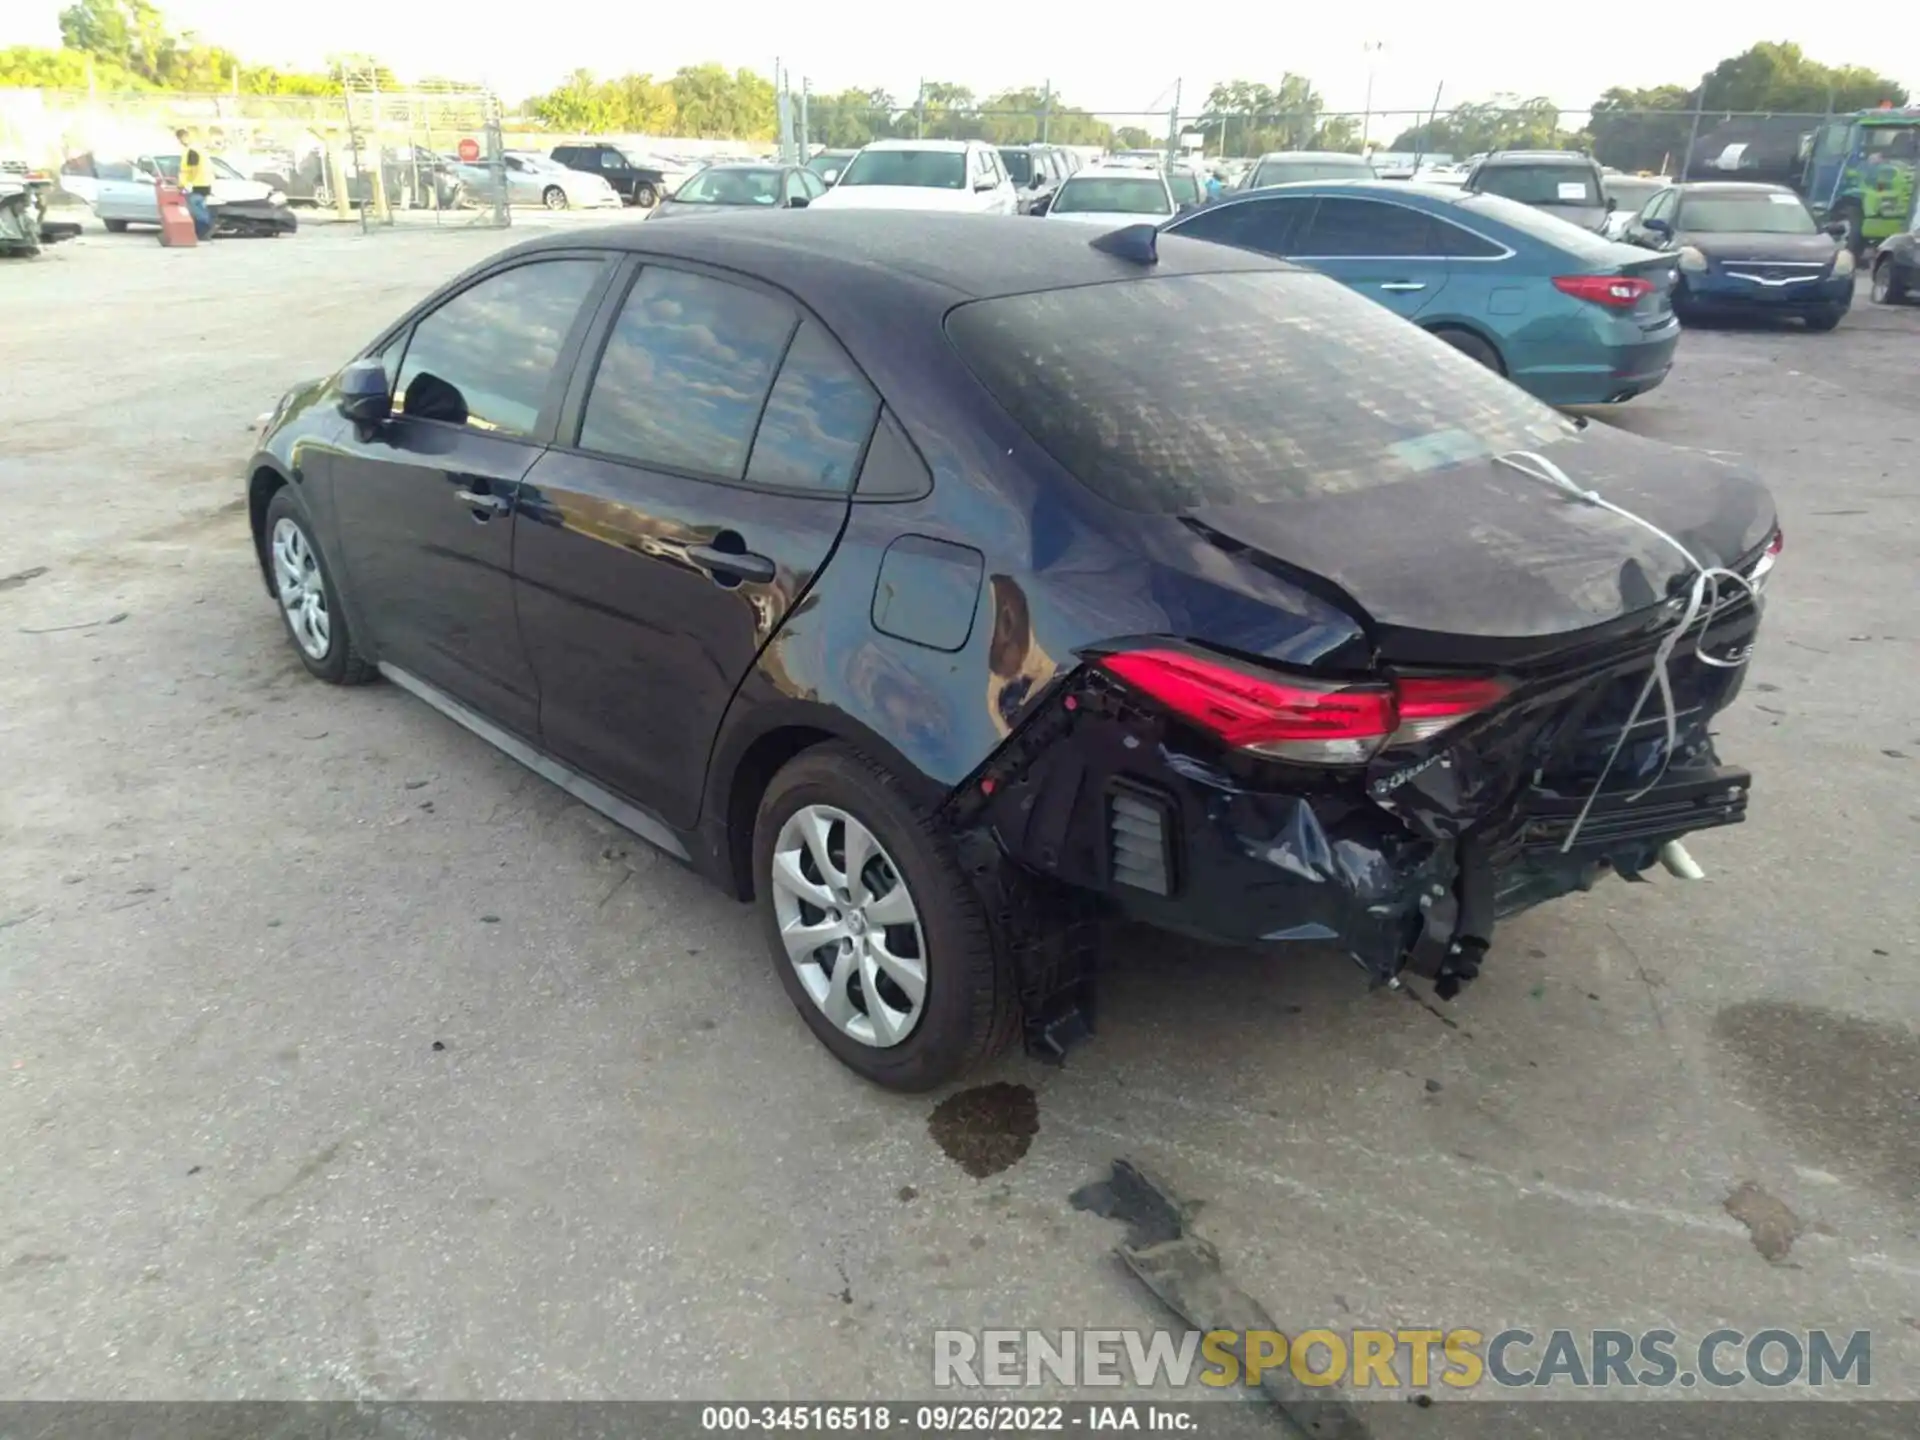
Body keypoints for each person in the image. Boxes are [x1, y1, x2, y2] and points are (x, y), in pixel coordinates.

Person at [176, 127, 214, 240]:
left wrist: (186, 185)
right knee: (200, 206)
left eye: (180, 139)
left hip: (195, 185)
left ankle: (206, 228)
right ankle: (202, 232)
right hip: (205, 184)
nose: (181, 142)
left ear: (184, 137)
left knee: (196, 209)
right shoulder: (201, 150)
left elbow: (193, 169)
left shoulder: (191, 151)